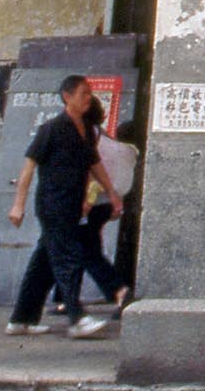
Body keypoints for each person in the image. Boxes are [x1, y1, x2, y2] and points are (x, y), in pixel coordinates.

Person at [6, 76, 122, 339]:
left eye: (89, 93)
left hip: (71, 205)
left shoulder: (85, 130)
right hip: (52, 205)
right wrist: (18, 205)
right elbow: (28, 169)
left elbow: (96, 165)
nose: (88, 98)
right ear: (67, 96)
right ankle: (76, 318)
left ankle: (20, 319)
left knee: (43, 263)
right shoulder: (51, 129)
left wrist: (112, 193)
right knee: (67, 258)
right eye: (83, 94)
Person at [77, 96, 134, 310]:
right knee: (81, 246)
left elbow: (90, 172)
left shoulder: (87, 136)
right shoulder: (103, 136)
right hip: (102, 203)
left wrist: (87, 200)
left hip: (89, 202)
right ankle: (64, 299)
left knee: (85, 250)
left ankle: (118, 289)